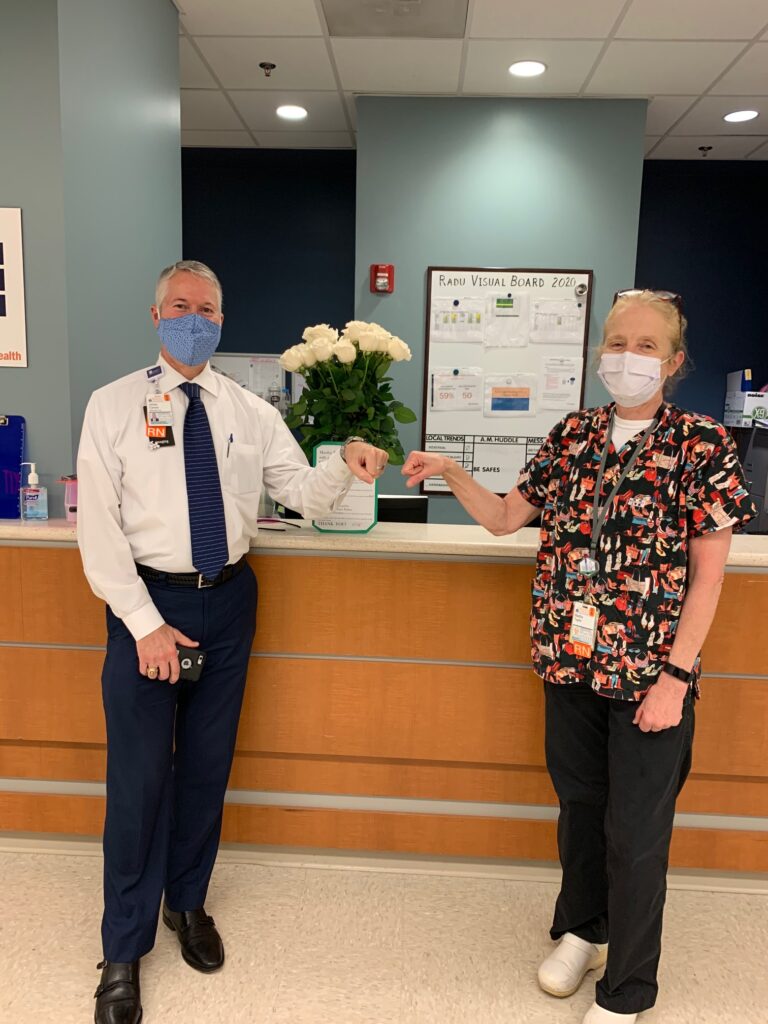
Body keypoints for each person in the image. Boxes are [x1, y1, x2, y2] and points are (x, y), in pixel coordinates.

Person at [402, 289, 756, 1024]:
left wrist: (676, 678)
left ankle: (627, 990)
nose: (628, 356)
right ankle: (581, 929)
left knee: (636, 832)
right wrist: (449, 471)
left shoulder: (703, 447)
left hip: (652, 674)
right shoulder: (573, 435)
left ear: (676, 361)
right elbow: (506, 518)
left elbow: (709, 576)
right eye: (618, 342)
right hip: (570, 661)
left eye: (647, 346)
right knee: (581, 811)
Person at [77, 260, 388, 1024]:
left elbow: (300, 496)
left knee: (206, 770)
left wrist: (345, 469)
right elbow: (99, 529)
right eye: (180, 306)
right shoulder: (113, 405)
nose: (195, 318)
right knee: (141, 781)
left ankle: (187, 904)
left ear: (221, 320)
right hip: (147, 604)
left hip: (230, 600)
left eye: (207, 309)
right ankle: (123, 949)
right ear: (156, 317)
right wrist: (144, 625)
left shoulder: (248, 411)